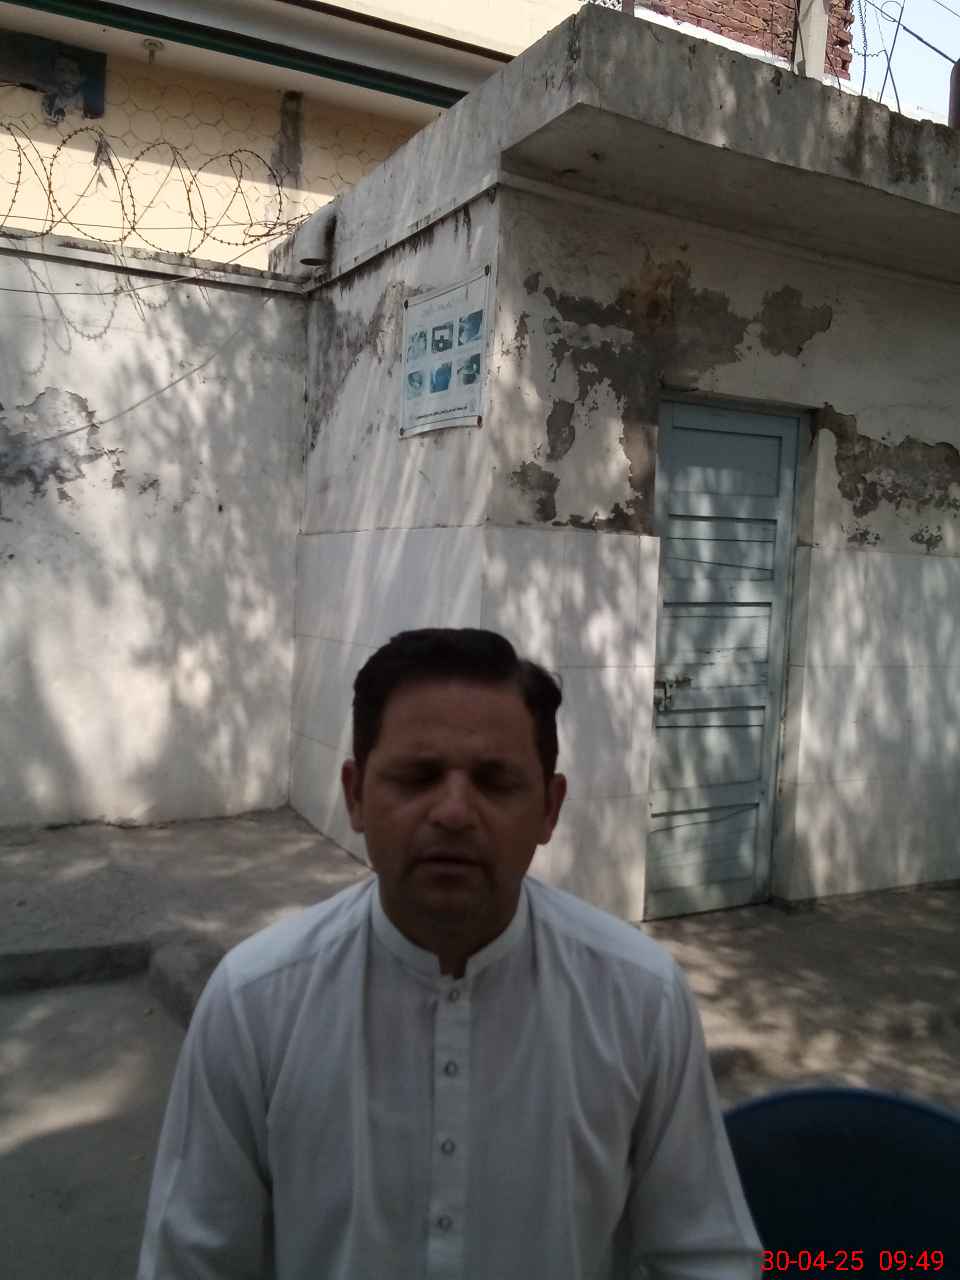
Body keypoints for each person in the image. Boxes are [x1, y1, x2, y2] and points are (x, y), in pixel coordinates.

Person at [138, 627, 761, 1279]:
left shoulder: (640, 999)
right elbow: (193, 1261)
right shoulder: (254, 1003)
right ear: (355, 795)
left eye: (495, 782)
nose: (455, 812)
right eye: (417, 777)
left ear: (549, 810)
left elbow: (705, 1255)